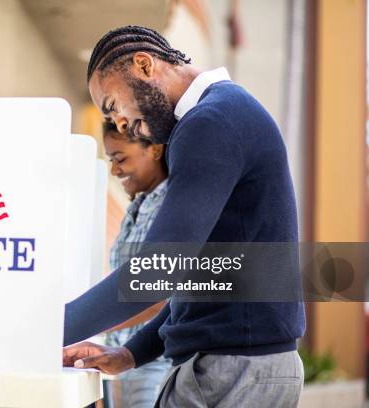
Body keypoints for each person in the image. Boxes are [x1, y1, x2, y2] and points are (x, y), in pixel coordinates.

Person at [62, 26, 305, 407]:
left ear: (144, 65)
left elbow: (159, 269)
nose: (122, 124)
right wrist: (132, 353)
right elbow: (209, 275)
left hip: (232, 371)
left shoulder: (210, 123)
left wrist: (43, 331)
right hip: (243, 365)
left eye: (113, 106)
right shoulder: (223, 114)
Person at [101, 121, 172, 408]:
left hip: (154, 364)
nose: (114, 170)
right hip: (120, 363)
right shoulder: (138, 206)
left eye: (120, 158)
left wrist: (92, 325)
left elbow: (159, 296)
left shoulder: (173, 208)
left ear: (154, 149)